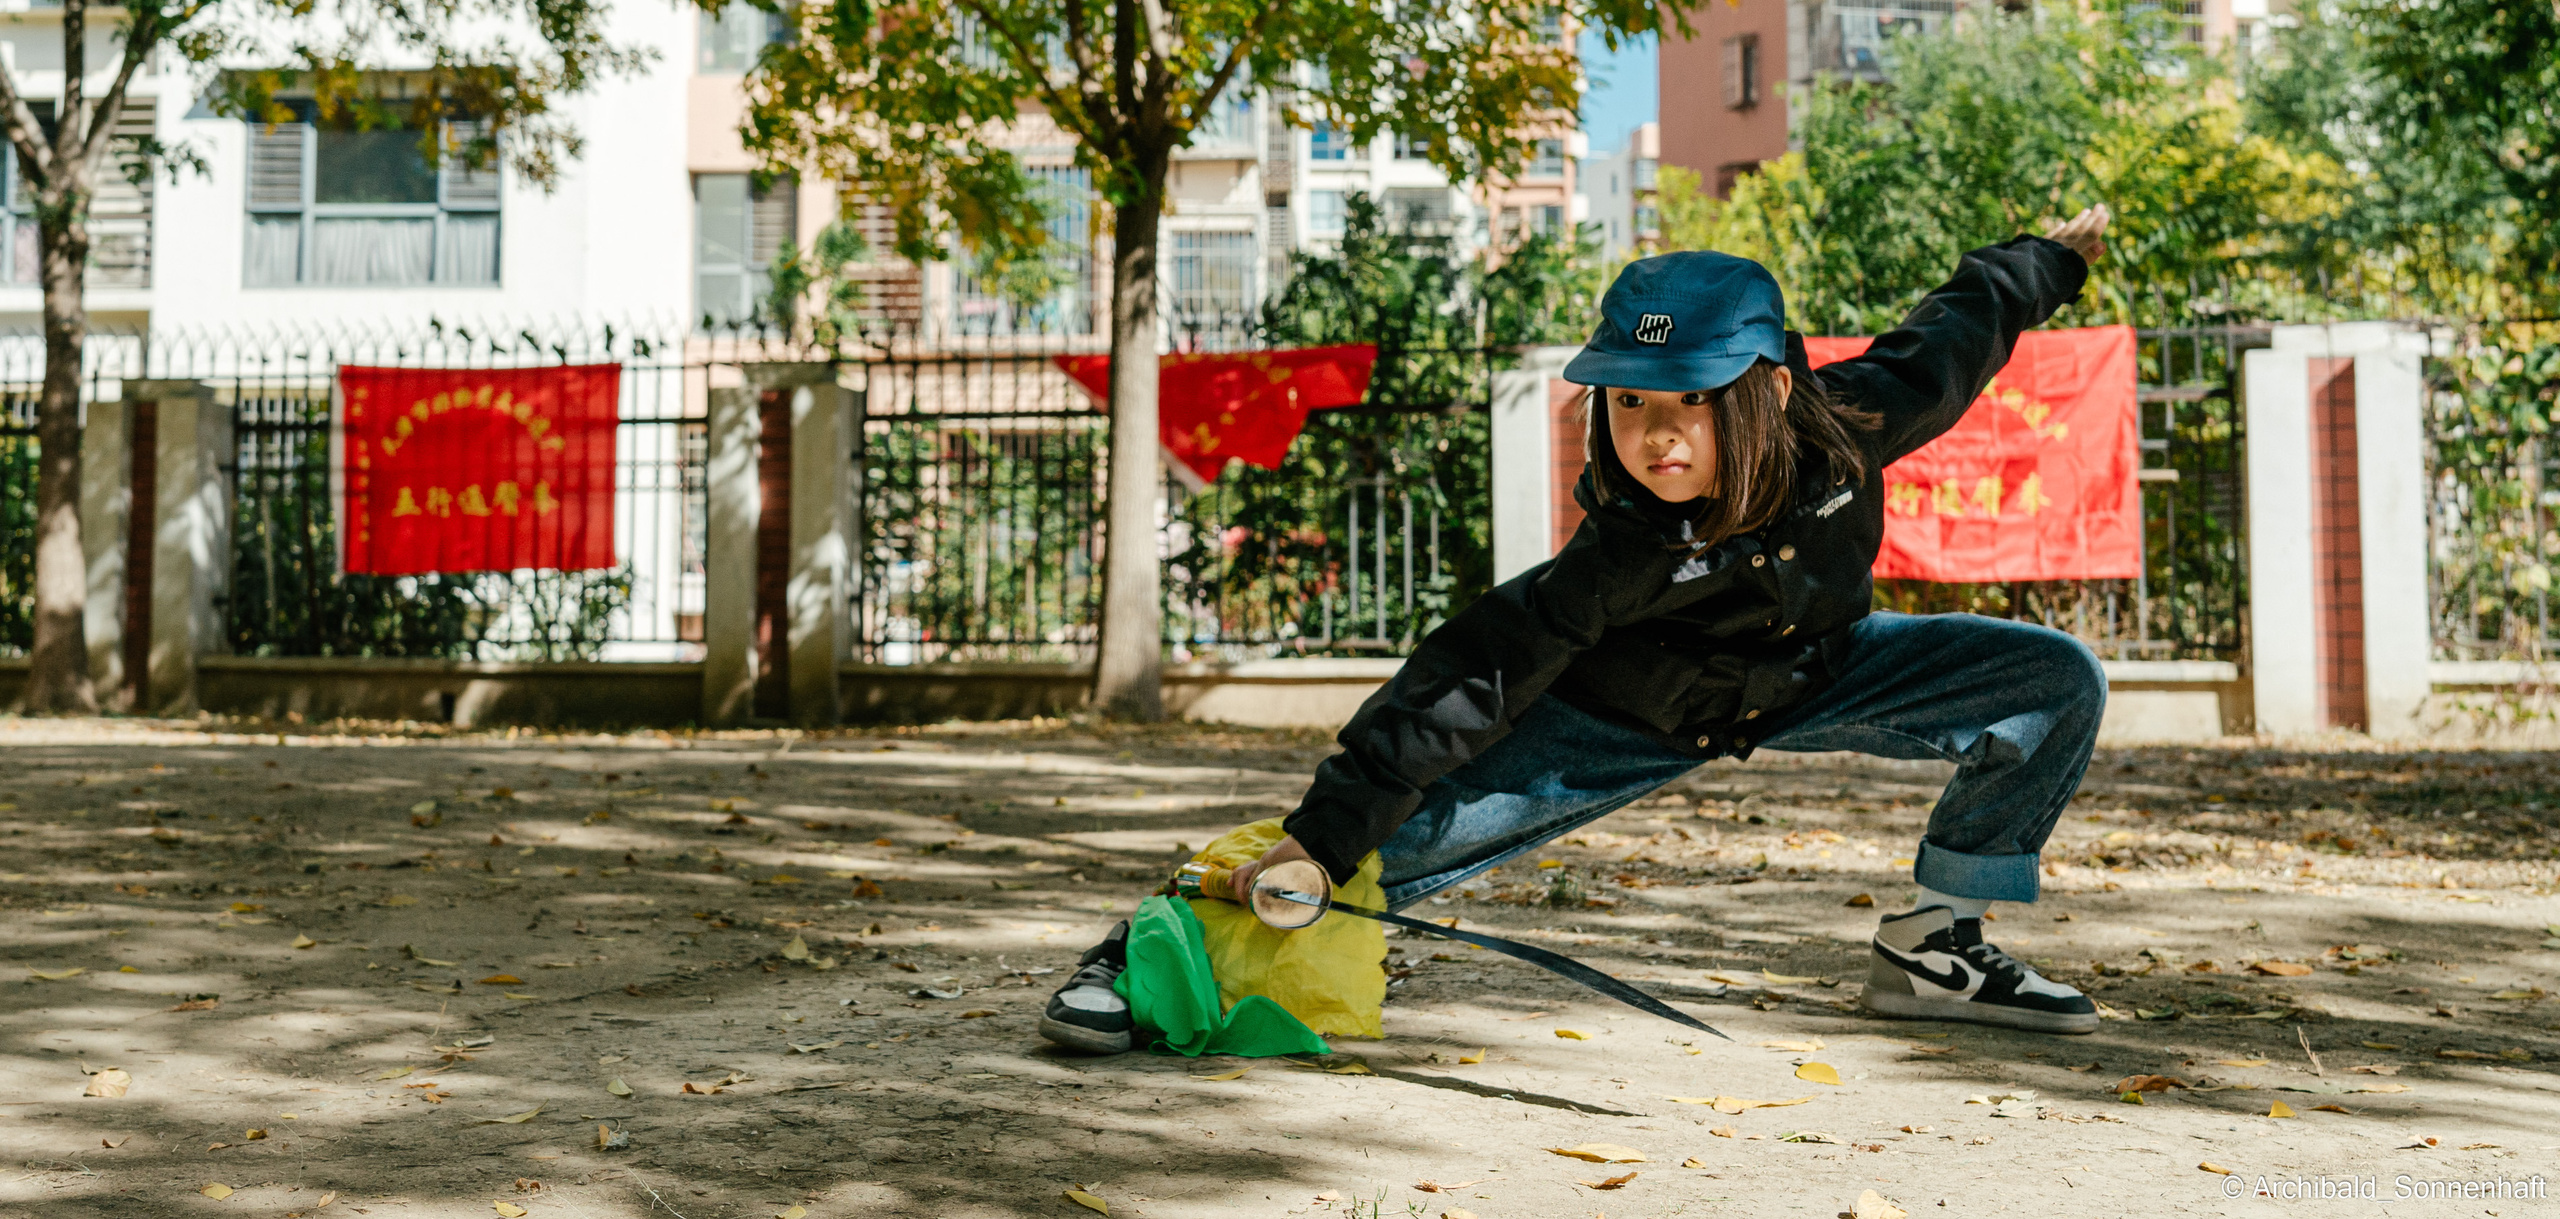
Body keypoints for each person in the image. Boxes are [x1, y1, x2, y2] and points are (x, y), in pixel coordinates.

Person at [1039, 207, 2118, 1055]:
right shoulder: (1618, 554)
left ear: (1770, 390)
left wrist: (2047, 258)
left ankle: (1934, 949)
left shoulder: (1852, 425)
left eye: (1687, 401)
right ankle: (1137, 960)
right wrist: (1320, 839)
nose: (1654, 435)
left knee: (2050, 678)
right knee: (1351, 855)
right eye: (1629, 401)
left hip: (1821, 673)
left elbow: (1960, 328)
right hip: (1616, 718)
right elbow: (1464, 681)